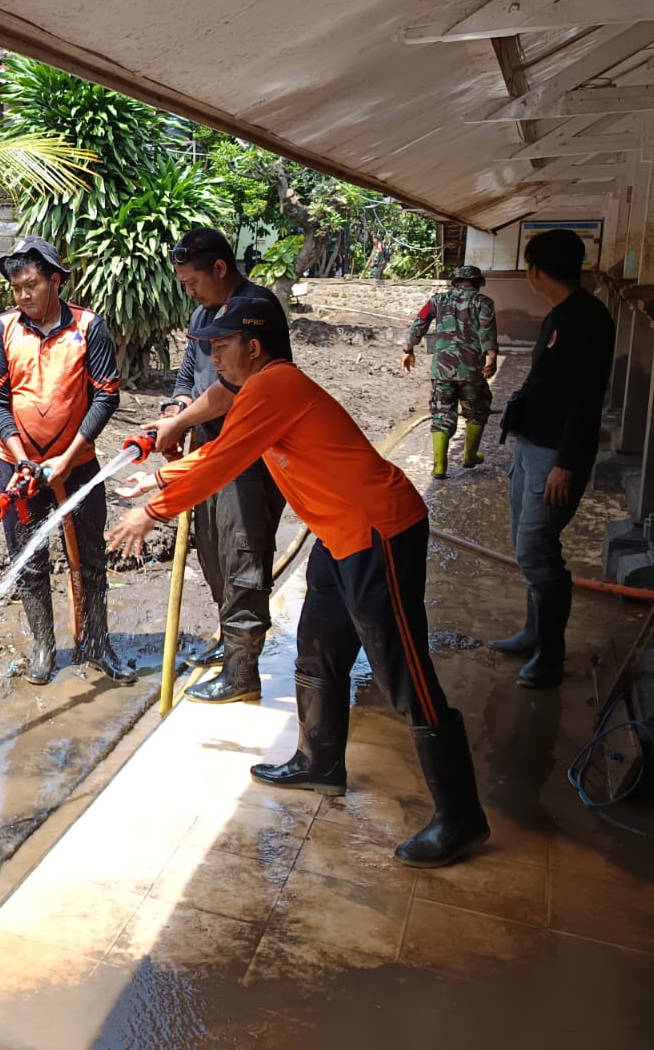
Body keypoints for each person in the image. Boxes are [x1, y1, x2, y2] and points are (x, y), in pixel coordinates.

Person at [109, 297, 489, 867]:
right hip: (336, 536)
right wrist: (160, 478)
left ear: (253, 347)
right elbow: (222, 449)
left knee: (401, 669)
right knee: (317, 648)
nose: (212, 356)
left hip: (378, 531)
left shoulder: (273, 385)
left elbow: (225, 461)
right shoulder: (262, 391)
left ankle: (461, 817)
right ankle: (320, 763)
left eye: (220, 345)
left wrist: (155, 511)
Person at [0, 236, 133, 686]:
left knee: (89, 554)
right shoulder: (2, 329)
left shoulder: (89, 328)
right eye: (16, 287)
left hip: (79, 463)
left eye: (31, 284)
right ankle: (44, 647)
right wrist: (24, 458)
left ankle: (98, 643)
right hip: (19, 468)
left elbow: (106, 395)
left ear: (56, 280)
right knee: (29, 556)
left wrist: (67, 458)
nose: (23, 294)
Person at [155, 227, 287, 703]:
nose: (188, 291)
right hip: (207, 452)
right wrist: (175, 408)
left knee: (243, 558)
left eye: (193, 281)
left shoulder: (256, 310)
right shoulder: (204, 312)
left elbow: (234, 390)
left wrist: (180, 422)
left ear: (219, 268)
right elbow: (189, 373)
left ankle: (243, 675)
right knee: (212, 552)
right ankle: (230, 647)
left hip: (248, 460)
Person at [490, 229, 615, 688]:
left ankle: (549, 655)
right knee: (529, 548)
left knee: (537, 551)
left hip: (555, 456)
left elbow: (586, 398)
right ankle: (532, 632)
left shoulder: (588, 318)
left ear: (537, 270)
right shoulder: (560, 314)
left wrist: (565, 462)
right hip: (532, 445)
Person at [403, 263, 499, 480]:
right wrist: (491, 356)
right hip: (472, 369)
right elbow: (487, 329)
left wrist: (408, 349)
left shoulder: (437, 300)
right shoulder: (483, 302)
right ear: (478, 283)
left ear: (455, 283)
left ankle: (439, 466)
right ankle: (470, 455)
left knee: (442, 413)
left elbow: (419, 323)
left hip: (442, 368)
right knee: (476, 410)